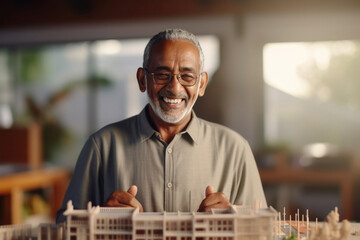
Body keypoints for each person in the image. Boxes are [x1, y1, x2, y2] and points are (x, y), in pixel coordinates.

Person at [56, 28, 266, 223]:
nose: (175, 88)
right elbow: (64, 227)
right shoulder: (101, 146)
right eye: (162, 75)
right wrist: (100, 219)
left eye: (187, 76)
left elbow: (261, 231)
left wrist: (233, 225)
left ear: (201, 84)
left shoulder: (235, 149)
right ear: (142, 80)